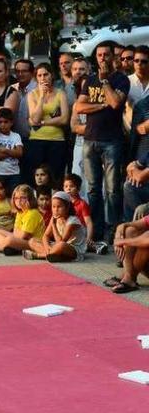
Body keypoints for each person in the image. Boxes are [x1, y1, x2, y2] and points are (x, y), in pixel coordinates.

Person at [74, 40, 129, 243]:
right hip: (90, 139)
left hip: (112, 141)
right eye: (99, 55)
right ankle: (95, 231)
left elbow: (115, 103)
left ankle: (115, 231)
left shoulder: (121, 80)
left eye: (106, 55)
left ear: (113, 58)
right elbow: (79, 108)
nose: (102, 59)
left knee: (113, 189)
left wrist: (105, 82)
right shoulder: (88, 80)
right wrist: (100, 105)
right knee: (93, 189)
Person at [25, 62, 70, 184]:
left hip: (57, 140)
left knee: (55, 177)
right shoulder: (32, 94)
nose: (43, 78)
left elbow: (64, 119)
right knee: (36, 178)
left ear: (52, 75)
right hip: (36, 140)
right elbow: (35, 119)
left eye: (46, 74)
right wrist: (41, 97)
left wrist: (43, 122)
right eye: (39, 75)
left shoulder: (60, 93)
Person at [23, 191, 86, 262]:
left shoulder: (72, 221)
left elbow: (60, 241)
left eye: (59, 207)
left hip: (73, 249)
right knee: (32, 240)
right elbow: (45, 236)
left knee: (61, 245)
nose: (56, 210)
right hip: (56, 246)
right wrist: (47, 247)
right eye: (53, 207)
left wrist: (53, 225)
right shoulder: (54, 218)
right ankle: (53, 255)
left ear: (67, 207)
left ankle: (38, 255)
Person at [0, 184, 45, 255]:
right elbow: (15, 232)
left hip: (34, 243)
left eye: (22, 198)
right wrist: (17, 233)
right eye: (16, 198)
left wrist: (16, 235)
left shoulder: (32, 213)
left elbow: (22, 236)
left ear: (29, 198)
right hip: (22, 239)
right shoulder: (20, 212)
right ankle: (12, 248)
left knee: (9, 240)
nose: (19, 201)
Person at [0, 108, 23, 195]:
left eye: (6, 122)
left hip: (14, 173)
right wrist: (12, 152)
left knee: (13, 197)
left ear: (11, 122)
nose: (3, 125)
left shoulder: (16, 136)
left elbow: (20, 153)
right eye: (0, 122)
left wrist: (4, 150)